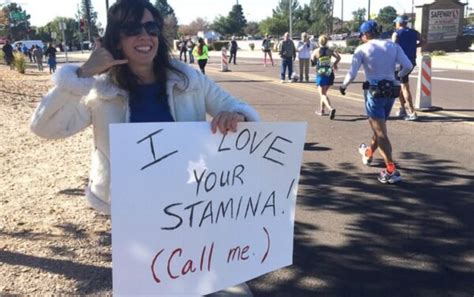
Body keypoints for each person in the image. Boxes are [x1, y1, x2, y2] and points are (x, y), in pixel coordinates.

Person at [30, 2, 257, 295]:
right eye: (132, 29)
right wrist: (83, 74)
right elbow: (43, 127)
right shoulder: (99, 90)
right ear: (115, 39)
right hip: (135, 214)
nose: (144, 36)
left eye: (151, 28)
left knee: (218, 285)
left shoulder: (189, 79)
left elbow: (237, 108)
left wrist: (236, 116)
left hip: (193, 206)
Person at [340, 20, 412, 184]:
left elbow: (352, 73)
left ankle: (391, 170)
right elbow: (407, 65)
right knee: (379, 127)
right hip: (391, 92)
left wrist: (343, 86)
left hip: (374, 93)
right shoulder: (393, 46)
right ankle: (368, 153)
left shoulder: (362, 49)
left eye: (361, 35)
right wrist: (398, 76)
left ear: (365, 35)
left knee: (380, 133)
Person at [392, 15, 425, 121]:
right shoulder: (414, 32)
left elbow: (393, 47)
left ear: (399, 23)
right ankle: (402, 108)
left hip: (401, 63)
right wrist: (414, 46)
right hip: (411, 61)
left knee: (404, 86)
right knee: (400, 85)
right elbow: (424, 41)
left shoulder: (396, 33)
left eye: (396, 23)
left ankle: (412, 112)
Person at [311, 34, 340, 120]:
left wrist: (316, 61)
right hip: (329, 73)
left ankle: (330, 108)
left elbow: (312, 63)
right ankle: (322, 110)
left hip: (321, 73)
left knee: (322, 94)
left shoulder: (316, 51)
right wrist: (334, 64)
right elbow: (338, 57)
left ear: (319, 42)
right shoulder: (330, 50)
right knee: (324, 93)